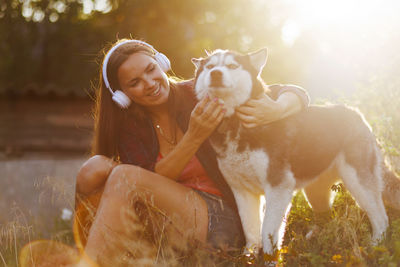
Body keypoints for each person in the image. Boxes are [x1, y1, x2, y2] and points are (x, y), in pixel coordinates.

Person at [74, 39, 313, 264]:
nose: (149, 83)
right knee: (93, 169)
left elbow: (292, 91)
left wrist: (277, 109)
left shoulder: (200, 92)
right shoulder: (131, 127)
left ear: (162, 64)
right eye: (134, 83)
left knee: (124, 176)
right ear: (122, 96)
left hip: (222, 220)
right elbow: (151, 184)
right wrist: (195, 136)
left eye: (150, 70)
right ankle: (98, 256)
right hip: (169, 223)